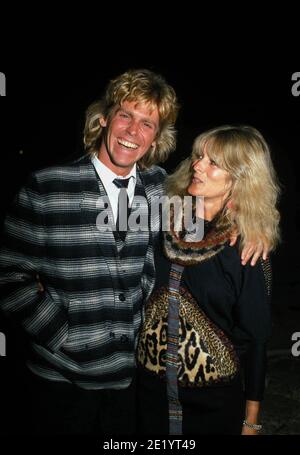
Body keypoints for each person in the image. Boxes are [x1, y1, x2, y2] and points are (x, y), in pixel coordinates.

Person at [0, 69, 266, 435]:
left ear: (157, 136)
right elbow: (8, 275)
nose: (132, 132)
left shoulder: (161, 189)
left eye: (147, 124)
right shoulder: (47, 186)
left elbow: (216, 214)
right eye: (125, 115)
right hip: (59, 383)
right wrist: (61, 334)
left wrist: (258, 228)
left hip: (132, 385)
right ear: (105, 118)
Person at [136, 125, 280, 435]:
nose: (197, 166)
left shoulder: (247, 250)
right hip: (148, 396)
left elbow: (256, 341)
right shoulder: (163, 218)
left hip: (212, 406)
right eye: (199, 156)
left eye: (212, 162)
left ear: (240, 179)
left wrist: (251, 420)